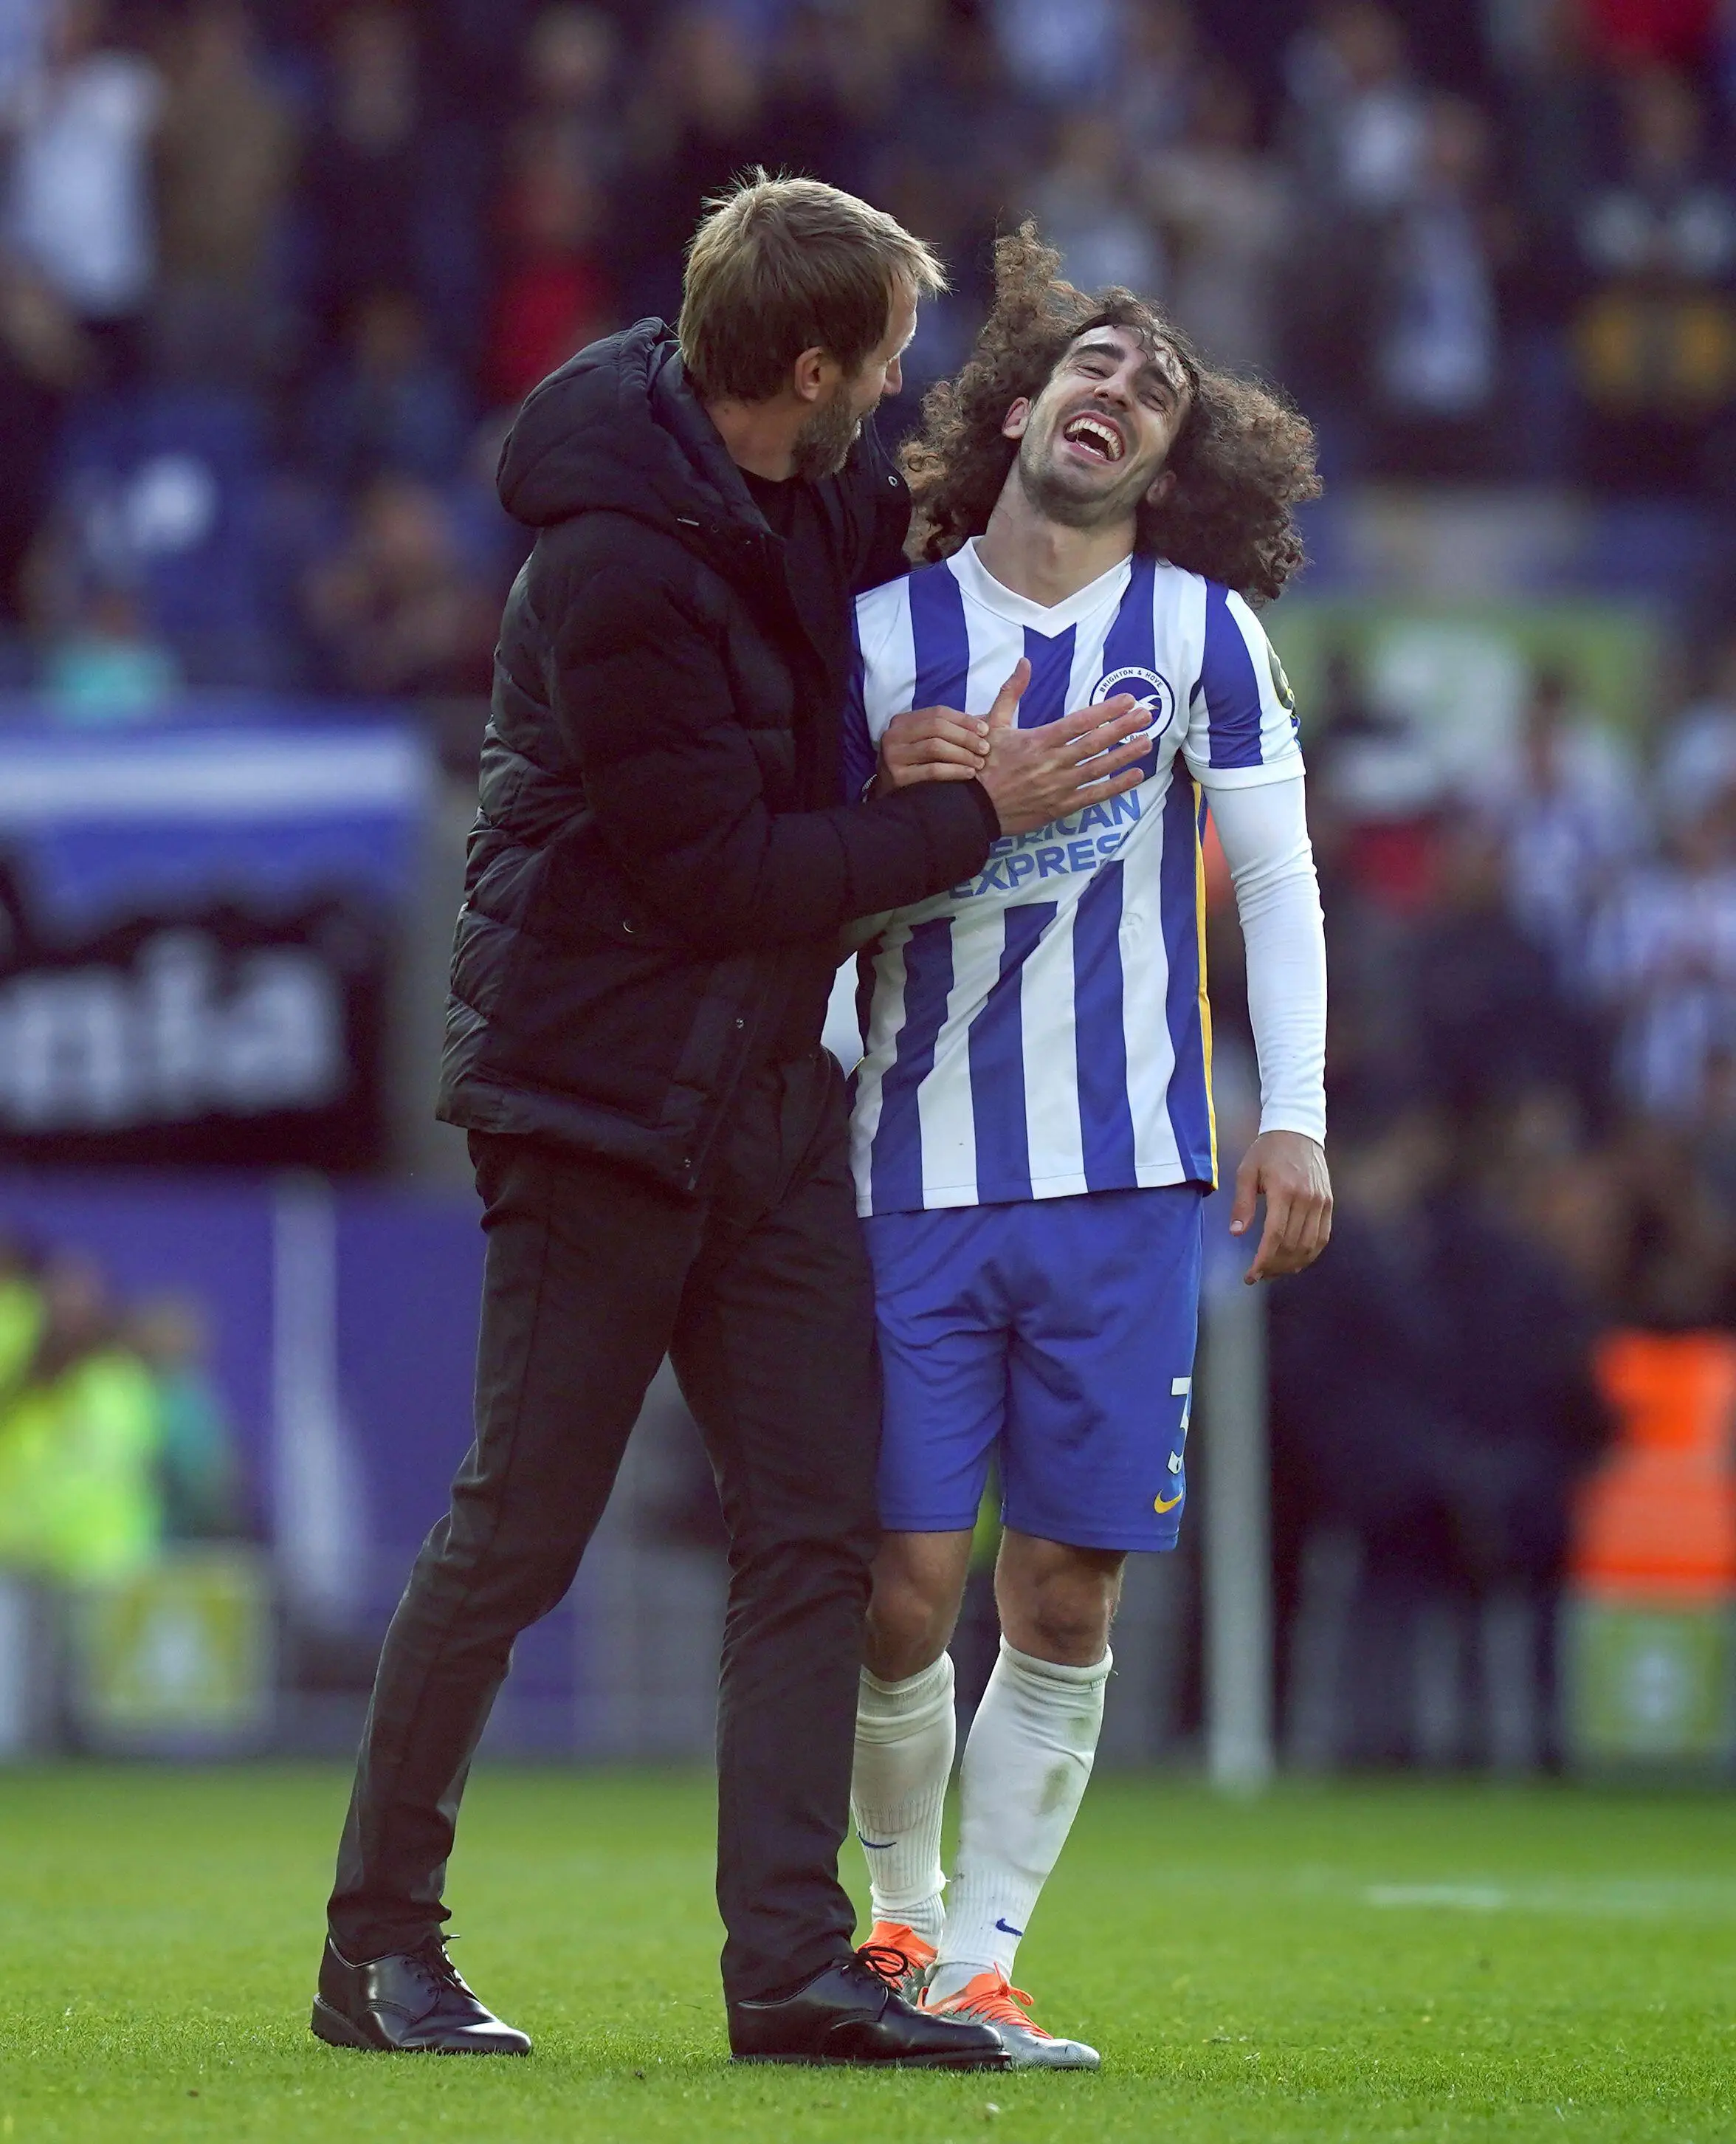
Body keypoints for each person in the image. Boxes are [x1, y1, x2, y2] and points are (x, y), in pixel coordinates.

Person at [312, 177, 1156, 2067]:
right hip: (596, 1102)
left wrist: (1061, 446)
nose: (897, 392)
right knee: (518, 1539)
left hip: (770, 1096)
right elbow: (711, 871)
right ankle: (376, 1947)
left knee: (814, 1535)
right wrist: (971, 805)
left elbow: (905, 570)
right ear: (806, 367)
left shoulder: (786, 491)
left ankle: (787, 1968)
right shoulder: (612, 563)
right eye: (883, 361)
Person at [838, 227, 1332, 2065]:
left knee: (1062, 1587)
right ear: (1022, 404)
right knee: (894, 1588)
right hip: (903, 1171)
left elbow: (1272, 880)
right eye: (1094, 363)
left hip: (1130, 1183)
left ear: (1174, 459)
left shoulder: (1205, 633)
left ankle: (982, 1955)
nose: (1118, 390)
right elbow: (807, 897)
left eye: (1159, 386)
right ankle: (890, 1926)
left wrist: (1294, 1109)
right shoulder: (880, 637)